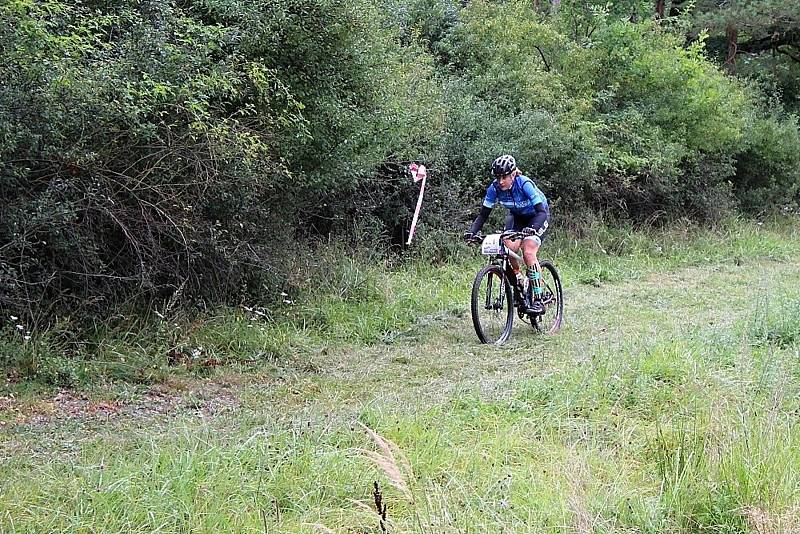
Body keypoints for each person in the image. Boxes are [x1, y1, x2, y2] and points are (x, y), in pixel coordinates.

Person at [463, 154, 550, 314]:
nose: (501, 181)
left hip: (537, 216)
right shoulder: (494, 188)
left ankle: (538, 299)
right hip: (517, 217)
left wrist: (532, 230)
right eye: (497, 178)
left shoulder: (524, 184)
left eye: (504, 177)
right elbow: (483, 215)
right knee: (507, 246)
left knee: (528, 251)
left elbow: (541, 212)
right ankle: (518, 280)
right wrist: (472, 232)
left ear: (513, 174)